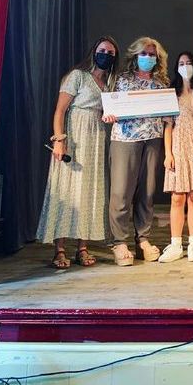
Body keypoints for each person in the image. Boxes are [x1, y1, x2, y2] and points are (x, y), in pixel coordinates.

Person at [37, 36, 120, 268]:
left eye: (111, 53)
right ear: (94, 51)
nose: (106, 55)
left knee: (91, 191)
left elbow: (107, 113)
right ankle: (60, 249)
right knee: (67, 190)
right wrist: (59, 140)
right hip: (74, 137)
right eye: (102, 50)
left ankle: (83, 247)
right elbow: (60, 110)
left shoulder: (110, 84)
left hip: (96, 139)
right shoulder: (78, 76)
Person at [104, 37, 170, 267]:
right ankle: (119, 242)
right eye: (144, 54)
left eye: (152, 55)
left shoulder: (161, 84)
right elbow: (108, 106)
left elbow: (167, 116)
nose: (148, 58)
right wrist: (108, 114)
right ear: (135, 56)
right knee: (121, 192)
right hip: (125, 139)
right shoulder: (121, 80)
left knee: (147, 191)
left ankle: (143, 239)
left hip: (152, 140)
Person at [158, 52, 193, 263]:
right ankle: (175, 244)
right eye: (181, 63)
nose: (185, 66)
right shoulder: (172, 94)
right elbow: (168, 127)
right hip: (178, 149)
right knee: (177, 197)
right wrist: (168, 153)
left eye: (188, 62)